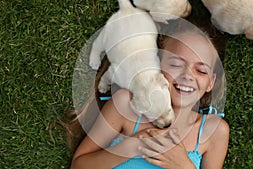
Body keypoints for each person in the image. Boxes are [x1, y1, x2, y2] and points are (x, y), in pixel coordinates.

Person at [68, 20, 229, 169]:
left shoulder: (214, 131)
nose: (188, 76)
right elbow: (78, 165)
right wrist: (132, 147)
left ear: (210, 83)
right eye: (175, 64)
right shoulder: (126, 105)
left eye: (201, 71)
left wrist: (184, 165)